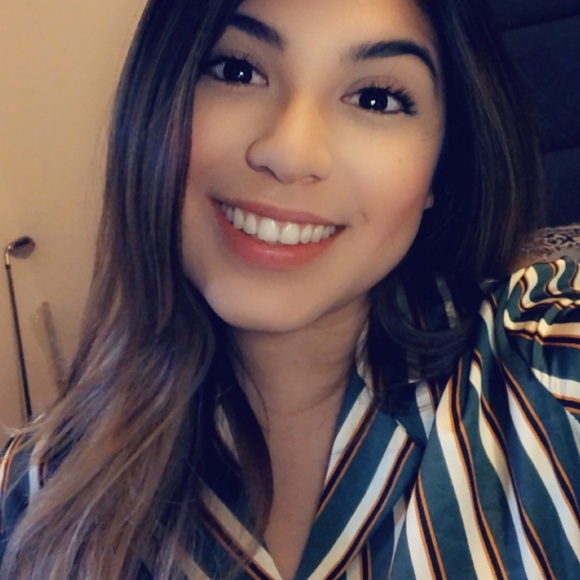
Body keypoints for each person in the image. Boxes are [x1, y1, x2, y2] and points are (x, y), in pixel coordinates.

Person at [1, 0, 579, 577]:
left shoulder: (550, 368)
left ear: (441, 168)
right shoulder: (30, 490)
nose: (289, 153)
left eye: (376, 99)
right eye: (237, 71)